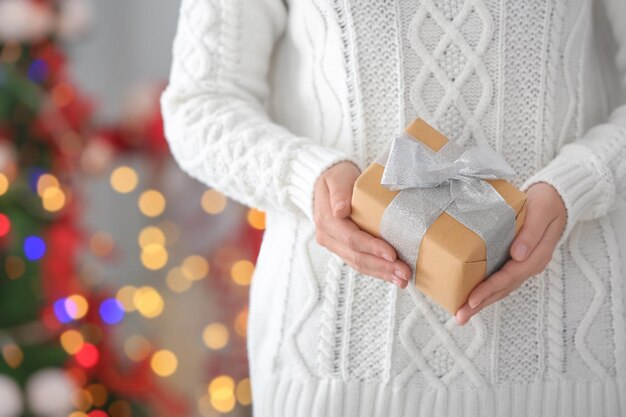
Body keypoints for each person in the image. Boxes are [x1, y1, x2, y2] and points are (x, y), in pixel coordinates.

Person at [160, 0, 626, 415]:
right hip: (335, 366)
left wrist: (578, 183)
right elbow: (200, 105)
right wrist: (307, 177)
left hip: (568, 362)